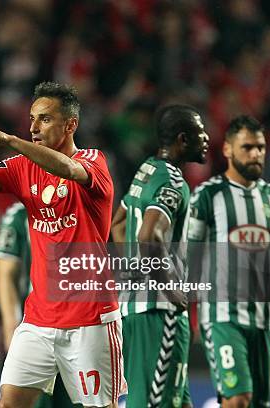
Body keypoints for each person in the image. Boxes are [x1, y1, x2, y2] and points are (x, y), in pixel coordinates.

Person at [0, 81, 124, 408]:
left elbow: (69, 168)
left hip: (91, 319)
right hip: (39, 319)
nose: (33, 127)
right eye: (31, 118)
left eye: (44, 119)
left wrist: (9, 140)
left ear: (70, 125)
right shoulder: (22, 168)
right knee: (9, 403)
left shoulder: (94, 161)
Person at [187, 115, 270, 408]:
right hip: (222, 317)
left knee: (257, 403)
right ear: (227, 150)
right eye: (247, 147)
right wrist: (185, 309)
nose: (256, 153)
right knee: (238, 398)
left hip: (262, 320)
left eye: (260, 147)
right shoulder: (209, 195)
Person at [110, 104, 209, 408]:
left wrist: (133, 270)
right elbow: (148, 236)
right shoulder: (173, 181)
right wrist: (170, 288)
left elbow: (119, 223)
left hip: (133, 308)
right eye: (199, 132)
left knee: (178, 402)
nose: (206, 137)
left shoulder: (147, 170)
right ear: (182, 139)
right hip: (157, 312)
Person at [0, 202, 82, 408]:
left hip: (79, 324)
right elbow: (5, 274)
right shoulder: (19, 214)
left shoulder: (81, 205)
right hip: (39, 326)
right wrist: (10, 324)